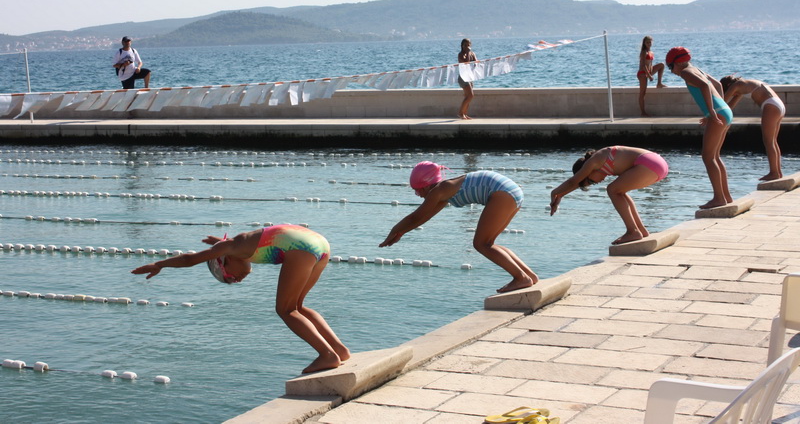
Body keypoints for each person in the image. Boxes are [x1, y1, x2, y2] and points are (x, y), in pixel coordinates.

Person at [131, 224, 350, 374]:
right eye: (232, 280)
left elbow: (190, 259)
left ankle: (327, 354)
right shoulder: (236, 246)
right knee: (297, 307)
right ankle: (339, 350)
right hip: (320, 244)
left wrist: (159, 264)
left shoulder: (230, 247)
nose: (236, 279)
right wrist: (220, 245)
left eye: (229, 276)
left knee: (285, 310)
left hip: (301, 248)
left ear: (224, 260)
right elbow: (239, 245)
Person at [379, 161, 538, 293]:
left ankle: (521, 278)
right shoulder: (444, 192)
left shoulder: (439, 191)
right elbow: (423, 217)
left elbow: (415, 216)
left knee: (481, 244)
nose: (418, 195)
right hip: (512, 190)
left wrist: (394, 230)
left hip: (502, 193)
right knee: (488, 243)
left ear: (426, 186)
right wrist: (401, 232)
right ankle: (529, 275)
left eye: (417, 190)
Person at [549, 146, 669, 245]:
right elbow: (576, 183)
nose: (596, 183)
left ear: (588, 171)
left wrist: (554, 192)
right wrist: (561, 195)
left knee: (612, 190)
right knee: (619, 192)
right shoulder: (599, 162)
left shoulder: (593, 161)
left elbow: (573, 181)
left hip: (648, 163)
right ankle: (641, 229)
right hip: (658, 164)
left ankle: (632, 231)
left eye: (591, 181)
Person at [666, 47, 733, 209]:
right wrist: (716, 108)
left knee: (708, 157)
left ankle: (719, 198)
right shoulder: (697, 69)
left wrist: (711, 111)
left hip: (718, 112)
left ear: (678, 63)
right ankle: (726, 196)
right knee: (715, 156)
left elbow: (704, 86)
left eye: (670, 67)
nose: (672, 71)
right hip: (725, 110)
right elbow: (717, 84)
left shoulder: (686, 72)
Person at [721, 75, 784, 181]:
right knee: (773, 141)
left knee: (768, 141)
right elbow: (729, 106)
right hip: (778, 104)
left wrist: (710, 115)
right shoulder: (744, 84)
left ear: (728, 85)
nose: (733, 94)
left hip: (771, 105)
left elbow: (722, 103)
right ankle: (777, 172)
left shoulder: (735, 85)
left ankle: (774, 172)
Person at [637, 36, 666, 117]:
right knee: (643, 92)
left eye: (650, 42)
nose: (649, 44)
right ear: (644, 43)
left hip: (649, 71)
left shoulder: (651, 52)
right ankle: (643, 112)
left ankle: (659, 83)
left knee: (662, 65)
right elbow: (643, 66)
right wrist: (649, 76)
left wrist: (650, 72)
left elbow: (650, 64)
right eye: (647, 42)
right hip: (643, 73)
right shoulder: (643, 52)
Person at [457, 38, 478, 120]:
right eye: (465, 45)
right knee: (470, 95)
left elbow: (475, 62)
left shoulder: (472, 53)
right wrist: (468, 52)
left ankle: (464, 114)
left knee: (467, 97)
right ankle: (460, 113)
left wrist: (471, 54)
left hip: (469, 77)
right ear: (462, 46)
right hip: (463, 77)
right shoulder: (461, 54)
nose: (467, 46)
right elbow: (466, 62)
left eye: (468, 45)